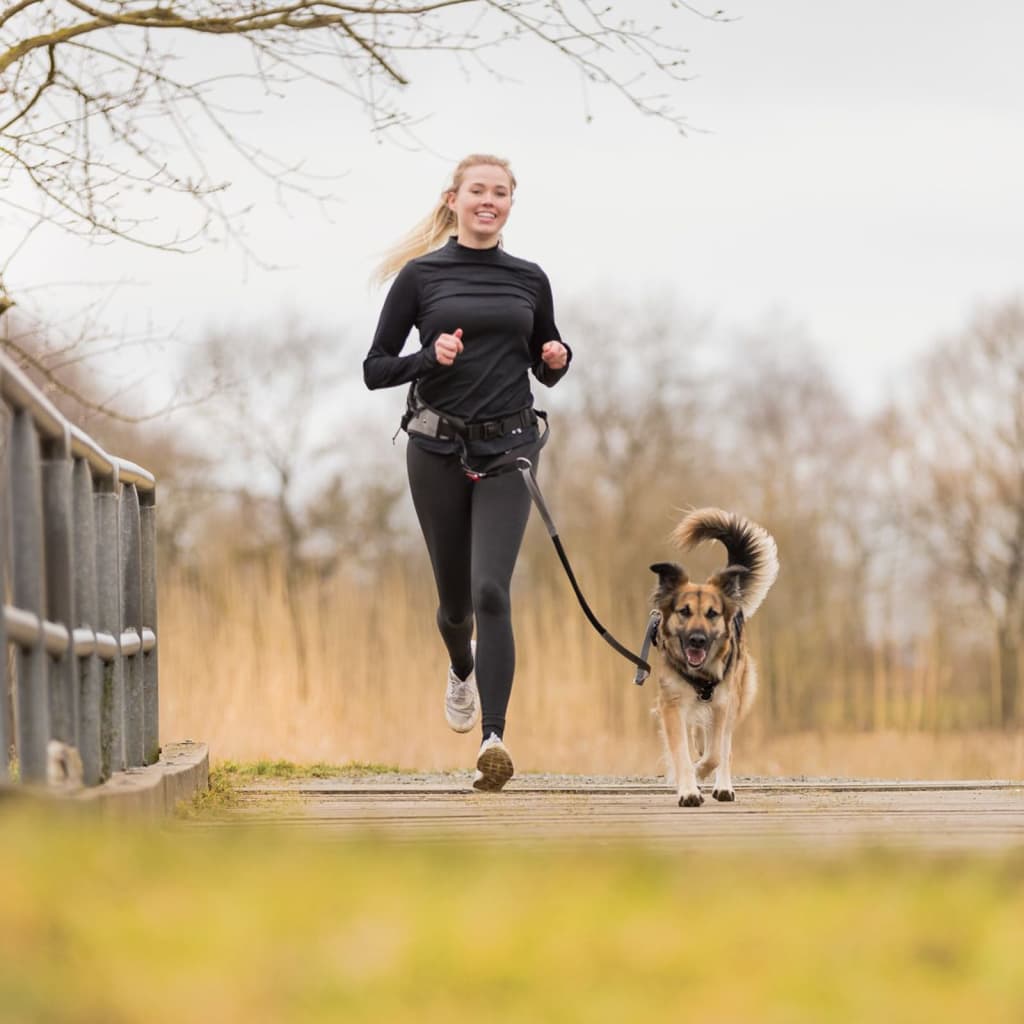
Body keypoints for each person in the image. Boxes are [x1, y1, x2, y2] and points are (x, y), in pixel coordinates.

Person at [363, 154, 571, 792]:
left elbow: (545, 359)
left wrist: (559, 359)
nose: (489, 200)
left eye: (500, 193)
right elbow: (375, 368)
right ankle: (461, 669)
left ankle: (494, 738)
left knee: (491, 592)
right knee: (456, 605)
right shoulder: (421, 277)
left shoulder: (529, 279)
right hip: (435, 450)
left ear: (511, 203)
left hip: (509, 447)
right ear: (453, 199)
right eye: (477, 191)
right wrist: (430, 356)